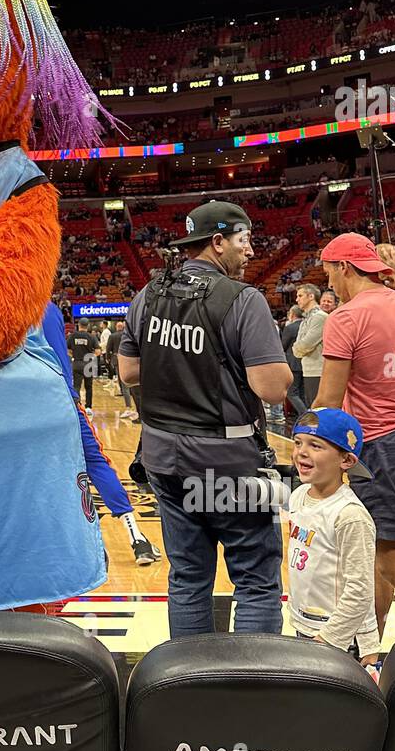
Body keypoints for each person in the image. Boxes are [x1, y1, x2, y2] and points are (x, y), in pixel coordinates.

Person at [118, 201, 291, 637]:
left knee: (188, 577)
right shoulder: (242, 300)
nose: (250, 251)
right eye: (244, 240)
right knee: (254, 577)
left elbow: (129, 372)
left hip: (162, 456)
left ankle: (188, 686)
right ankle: (253, 685)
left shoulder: (148, 294)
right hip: (226, 460)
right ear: (217, 242)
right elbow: (272, 388)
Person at [315, 232, 395, 632]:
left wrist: (305, 434)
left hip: (379, 444)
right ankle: (369, 645)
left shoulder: (345, 317)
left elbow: (328, 400)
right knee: (378, 556)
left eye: (329, 272)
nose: (328, 283)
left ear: (345, 267)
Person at [44, 302, 160, 566]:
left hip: (21, 408)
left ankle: (69, 544)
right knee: (97, 464)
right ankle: (137, 539)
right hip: (62, 398)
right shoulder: (47, 308)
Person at [287, 408, 380, 672]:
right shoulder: (299, 496)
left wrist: (328, 639)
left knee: (337, 712)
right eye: (298, 442)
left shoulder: (350, 516)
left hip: (341, 639)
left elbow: (360, 591)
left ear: (347, 461)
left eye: (315, 445)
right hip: (306, 627)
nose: (301, 452)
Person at [292, 283, 325, 407]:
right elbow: (298, 347)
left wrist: (298, 348)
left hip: (318, 370)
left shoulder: (320, 317)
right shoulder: (306, 319)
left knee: (318, 410)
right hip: (308, 370)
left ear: (311, 296)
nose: (297, 299)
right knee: (312, 407)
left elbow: (304, 345)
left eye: (300, 296)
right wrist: (298, 348)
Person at [281, 304, 307, 418]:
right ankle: (303, 414)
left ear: (292, 314)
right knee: (301, 392)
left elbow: (282, 345)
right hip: (305, 362)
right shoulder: (306, 325)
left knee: (291, 393)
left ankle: (305, 416)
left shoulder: (290, 328)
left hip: (293, 363)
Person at [68, 318, 96, 408]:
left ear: (78, 325)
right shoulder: (91, 336)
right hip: (88, 364)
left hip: (77, 363)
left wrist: (73, 355)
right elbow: (98, 351)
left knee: (76, 386)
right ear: (87, 326)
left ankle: (77, 406)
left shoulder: (72, 336)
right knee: (88, 387)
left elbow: (67, 349)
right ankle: (88, 407)